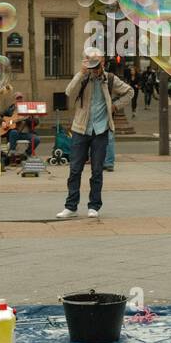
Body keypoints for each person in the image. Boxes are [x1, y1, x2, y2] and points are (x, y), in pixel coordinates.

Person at [58, 47, 133, 218]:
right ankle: (71, 206)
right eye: (91, 61)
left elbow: (130, 92)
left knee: (97, 170)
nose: (94, 66)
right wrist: (81, 72)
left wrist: (115, 106)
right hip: (80, 129)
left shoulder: (110, 79)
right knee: (75, 169)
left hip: (101, 130)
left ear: (103, 62)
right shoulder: (83, 78)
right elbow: (69, 92)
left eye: (97, 62)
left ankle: (94, 206)